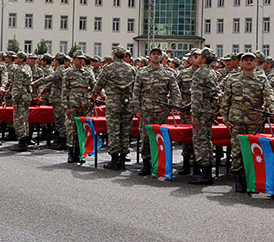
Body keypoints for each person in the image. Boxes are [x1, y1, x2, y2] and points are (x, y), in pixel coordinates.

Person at [220, 52, 274, 192]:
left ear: (256, 63)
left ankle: (254, 180)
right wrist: (225, 119)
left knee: (255, 149)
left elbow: (269, 97)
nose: (249, 62)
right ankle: (239, 179)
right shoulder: (232, 79)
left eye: (251, 60)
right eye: (246, 60)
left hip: (255, 120)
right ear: (241, 63)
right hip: (236, 120)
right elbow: (225, 100)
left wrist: (271, 109)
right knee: (237, 150)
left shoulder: (261, 79)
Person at [131, 47, 182, 176]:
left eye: (158, 54)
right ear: (149, 57)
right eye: (153, 54)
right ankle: (146, 164)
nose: (156, 56)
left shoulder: (168, 73)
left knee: (161, 137)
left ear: (162, 58)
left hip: (162, 111)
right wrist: (136, 109)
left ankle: (160, 163)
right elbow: (136, 92)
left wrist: (176, 107)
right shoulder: (141, 73)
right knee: (146, 137)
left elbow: (175, 91)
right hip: (146, 110)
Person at [91, 46, 136, 170]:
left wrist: (94, 96)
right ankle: (123, 159)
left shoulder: (108, 68)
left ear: (114, 56)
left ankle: (114, 159)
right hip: (127, 102)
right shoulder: (131, 69)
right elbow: (136, 87)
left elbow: (99, 84)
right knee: (125, 131)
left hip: (113, 102)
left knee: (114, 131)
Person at [189, 48, 220, 185]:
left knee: (200, 141)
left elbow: (196, 96)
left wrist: (194, 116)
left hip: (200, 111)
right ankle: (207, 171)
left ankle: (205, 174)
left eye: (200, 56)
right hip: (209, 109)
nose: (198, 58)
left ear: (204, 59)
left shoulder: (199, 73)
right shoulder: (213, 73)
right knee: (207, 140)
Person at [62, 51, 96, 163]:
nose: (81, 60)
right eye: (78, 58)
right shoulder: (68, 72)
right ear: (74, 59)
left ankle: (80, 152)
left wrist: (102, 96)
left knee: (82, 128)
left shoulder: (87, 72)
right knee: (71, 128)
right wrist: (66, 106)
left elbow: (94, 86)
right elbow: (64, 90)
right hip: (72, 103)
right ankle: (71, 152)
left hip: (84, 104)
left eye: (82, 58)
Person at [10, 52, 32, 152]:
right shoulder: (28, 68)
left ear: (21, 59)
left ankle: (22, 143)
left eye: (17, 58)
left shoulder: (19, 70)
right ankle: (25, 140)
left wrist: (14, 100)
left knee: (18, 120)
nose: (15, 59)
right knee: (24, 119)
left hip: (20, 97)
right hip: (27, 95)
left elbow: (17, 86)